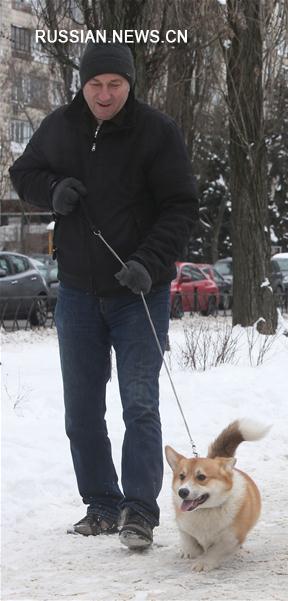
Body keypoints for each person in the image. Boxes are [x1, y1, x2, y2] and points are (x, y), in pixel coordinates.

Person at [9, 43, 199, 548]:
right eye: (96, 84)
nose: (105, 93)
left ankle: (139, 511)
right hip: (76, 292)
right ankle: (101, 504)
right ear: (83, 85)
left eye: (115, 84)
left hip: (139, 292)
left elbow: (180, 207)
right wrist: (52, 192)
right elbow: (21, 174)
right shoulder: (60, 126)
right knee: (82, 409)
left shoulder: (156, 132)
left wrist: (148, 262)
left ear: (130, 84)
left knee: (139, 405)